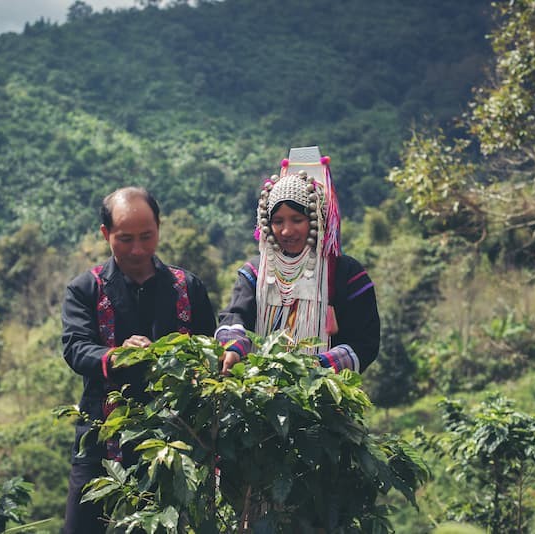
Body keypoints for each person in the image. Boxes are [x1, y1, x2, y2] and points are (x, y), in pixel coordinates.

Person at [61, 186, 217, 533]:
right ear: (106, 234)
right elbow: (76, 348)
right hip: (101, 441)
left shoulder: (187, 287)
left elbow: (208, 355)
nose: (138, 250)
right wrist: (121, 357)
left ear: (159, 228)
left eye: (147, 237)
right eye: (125, 239)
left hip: (175, 442)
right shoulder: (85, 289)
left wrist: (166, 357)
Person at [216, 146, 380, 375]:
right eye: (278, 221)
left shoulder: (346, 274)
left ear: (316, 219)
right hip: (258, 391)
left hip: (324, 398)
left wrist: (314, 368)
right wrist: (233, 348)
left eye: (297, 219)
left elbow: (365, 341)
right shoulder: (255, 272)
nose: (286, 230)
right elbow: (235, 316)